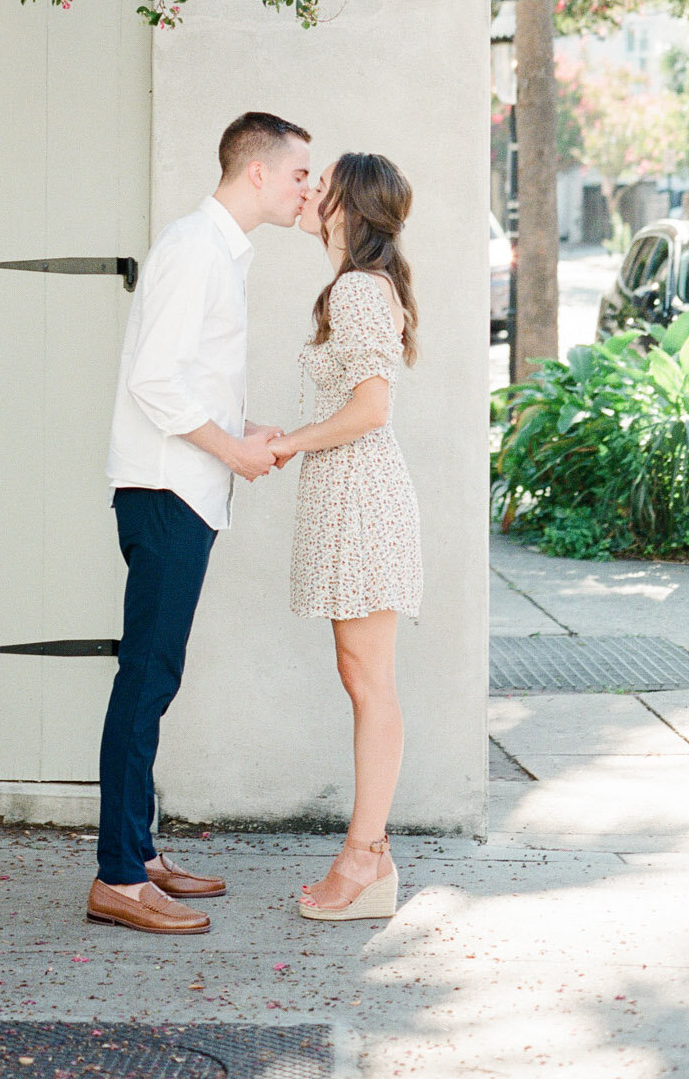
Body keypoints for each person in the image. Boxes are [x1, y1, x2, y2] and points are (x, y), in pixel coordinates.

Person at [86, 111, 312, 936]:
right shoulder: (193, 249)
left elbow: (192, 376)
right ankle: (117, 876)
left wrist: (240, 432)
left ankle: (139, 854)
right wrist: (231, 451)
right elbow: (155, 380)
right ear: (256, 170)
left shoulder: (217, 252)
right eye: (298, 175)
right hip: (167, 490)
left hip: (188, 484)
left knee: (158, 677)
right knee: (144, 681)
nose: (307, 190)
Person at [268, 151, 422, 923]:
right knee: (361, 676)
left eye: (319, 183)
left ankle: (364, 858)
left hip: (362, 496)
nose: (307, 190)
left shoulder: (361, 290)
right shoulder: (354, 288)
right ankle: (373, 856)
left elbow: (371, 409)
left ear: (348, 206)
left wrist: (291, 442)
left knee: (369, 682)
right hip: (352, 494)